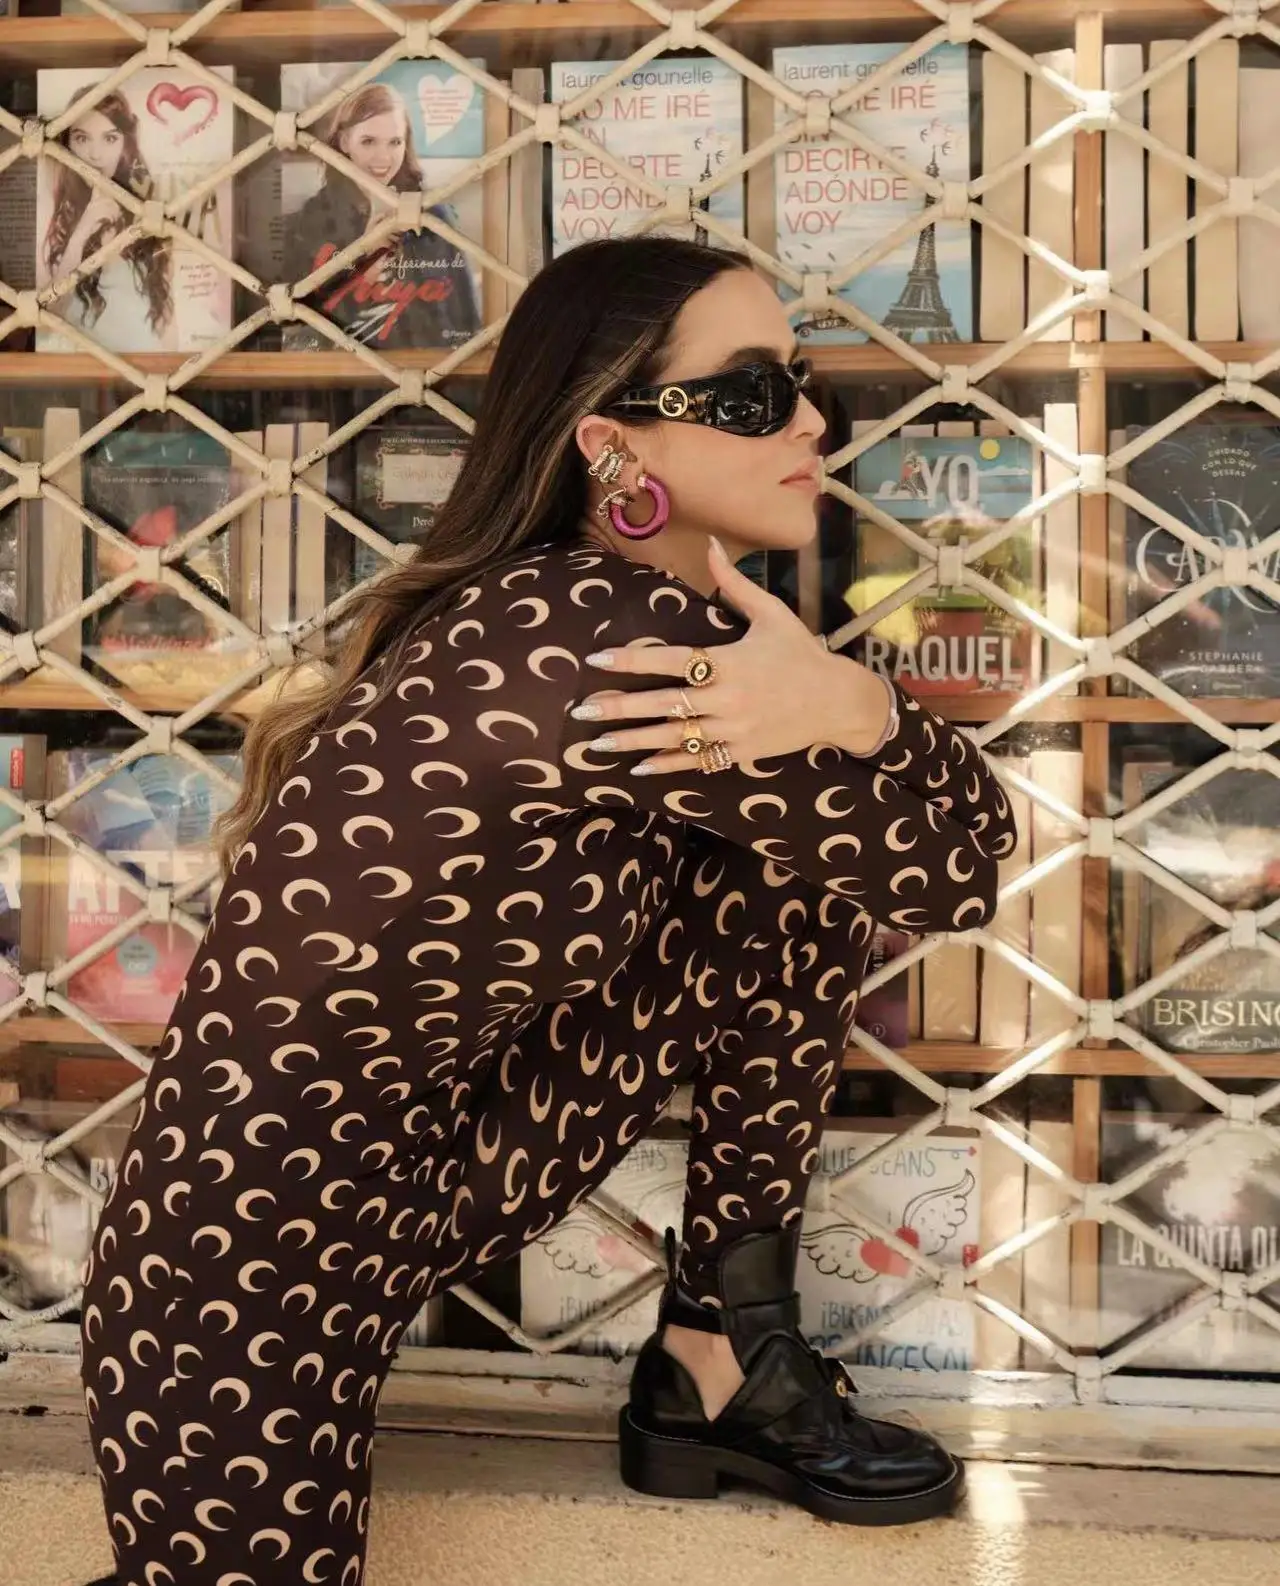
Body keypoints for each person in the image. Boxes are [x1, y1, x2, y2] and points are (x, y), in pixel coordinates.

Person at [78, 235, 1016, 1585]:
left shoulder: (631, 620)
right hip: (248, 1244)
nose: (811, 421)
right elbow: (961, 865)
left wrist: (846, 705)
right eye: (752, 393)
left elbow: (918, 868)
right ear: (609, 442)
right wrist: (859, 706)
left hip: (442, 1164)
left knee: (794, 871)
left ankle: (719, 1345)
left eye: (804, 385)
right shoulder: (606, 640)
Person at [283, 79, 482, 351]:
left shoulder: (435, 217)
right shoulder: (310, 222)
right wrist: (363, 257)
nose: (383, 158)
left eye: (395, 142)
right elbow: (296, 330)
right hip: (341, 372)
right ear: (344, 141)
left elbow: (466, 322)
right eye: (368, 141)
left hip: (426, 371)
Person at [41, 87, 173, 348]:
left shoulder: (149, 216)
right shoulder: (58, 215)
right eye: (82, 139)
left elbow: (167, 327)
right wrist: (81, 233)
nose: (95, 154)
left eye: (109, 138)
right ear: (67, 144)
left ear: (125, 143)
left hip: (145, 364)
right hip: (80, 365)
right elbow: (49, 318)